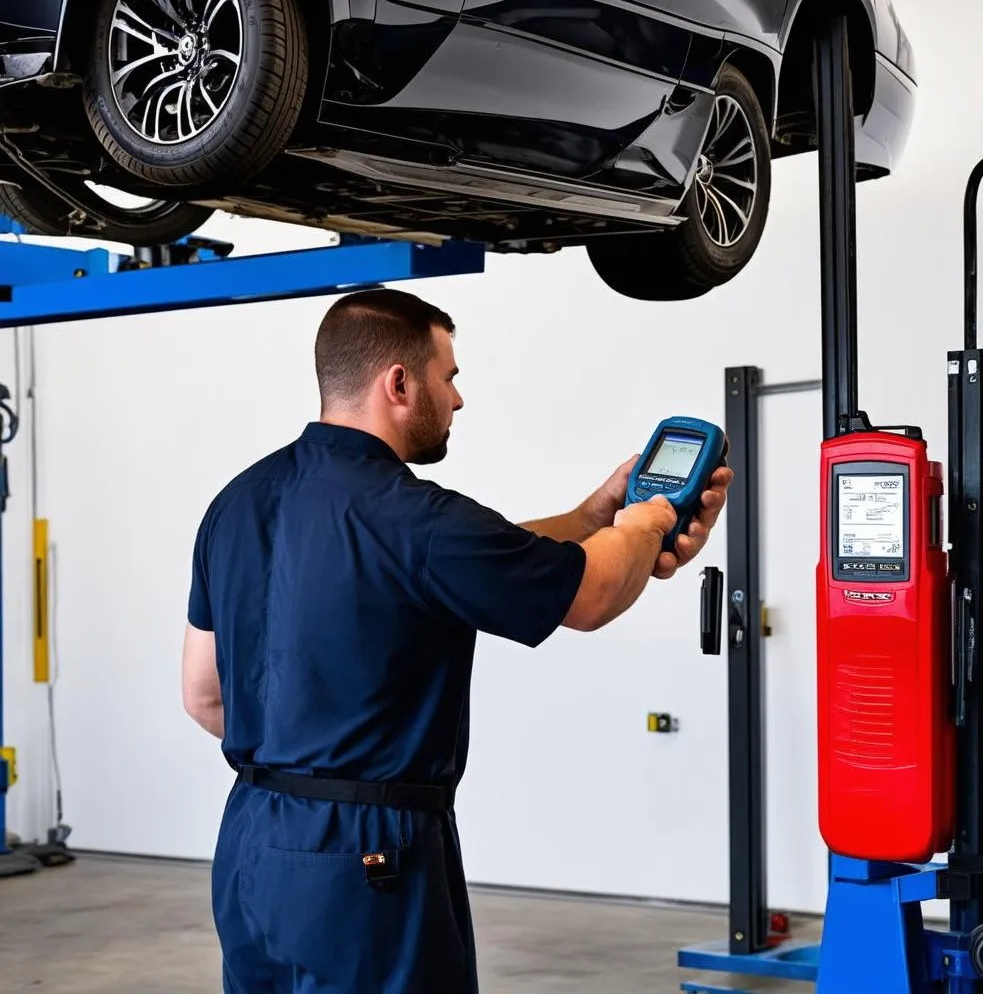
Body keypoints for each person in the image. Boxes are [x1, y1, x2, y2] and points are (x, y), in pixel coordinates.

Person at [181, 288, 732, 993]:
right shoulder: (414, 517)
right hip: (370, 859)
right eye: (451, 377)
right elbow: (590, 597)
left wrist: (594, 517)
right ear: (400, 384)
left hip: (251, 844)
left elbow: (203, 694)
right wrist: (647, 523)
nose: (459, 400)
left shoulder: (236, 503)